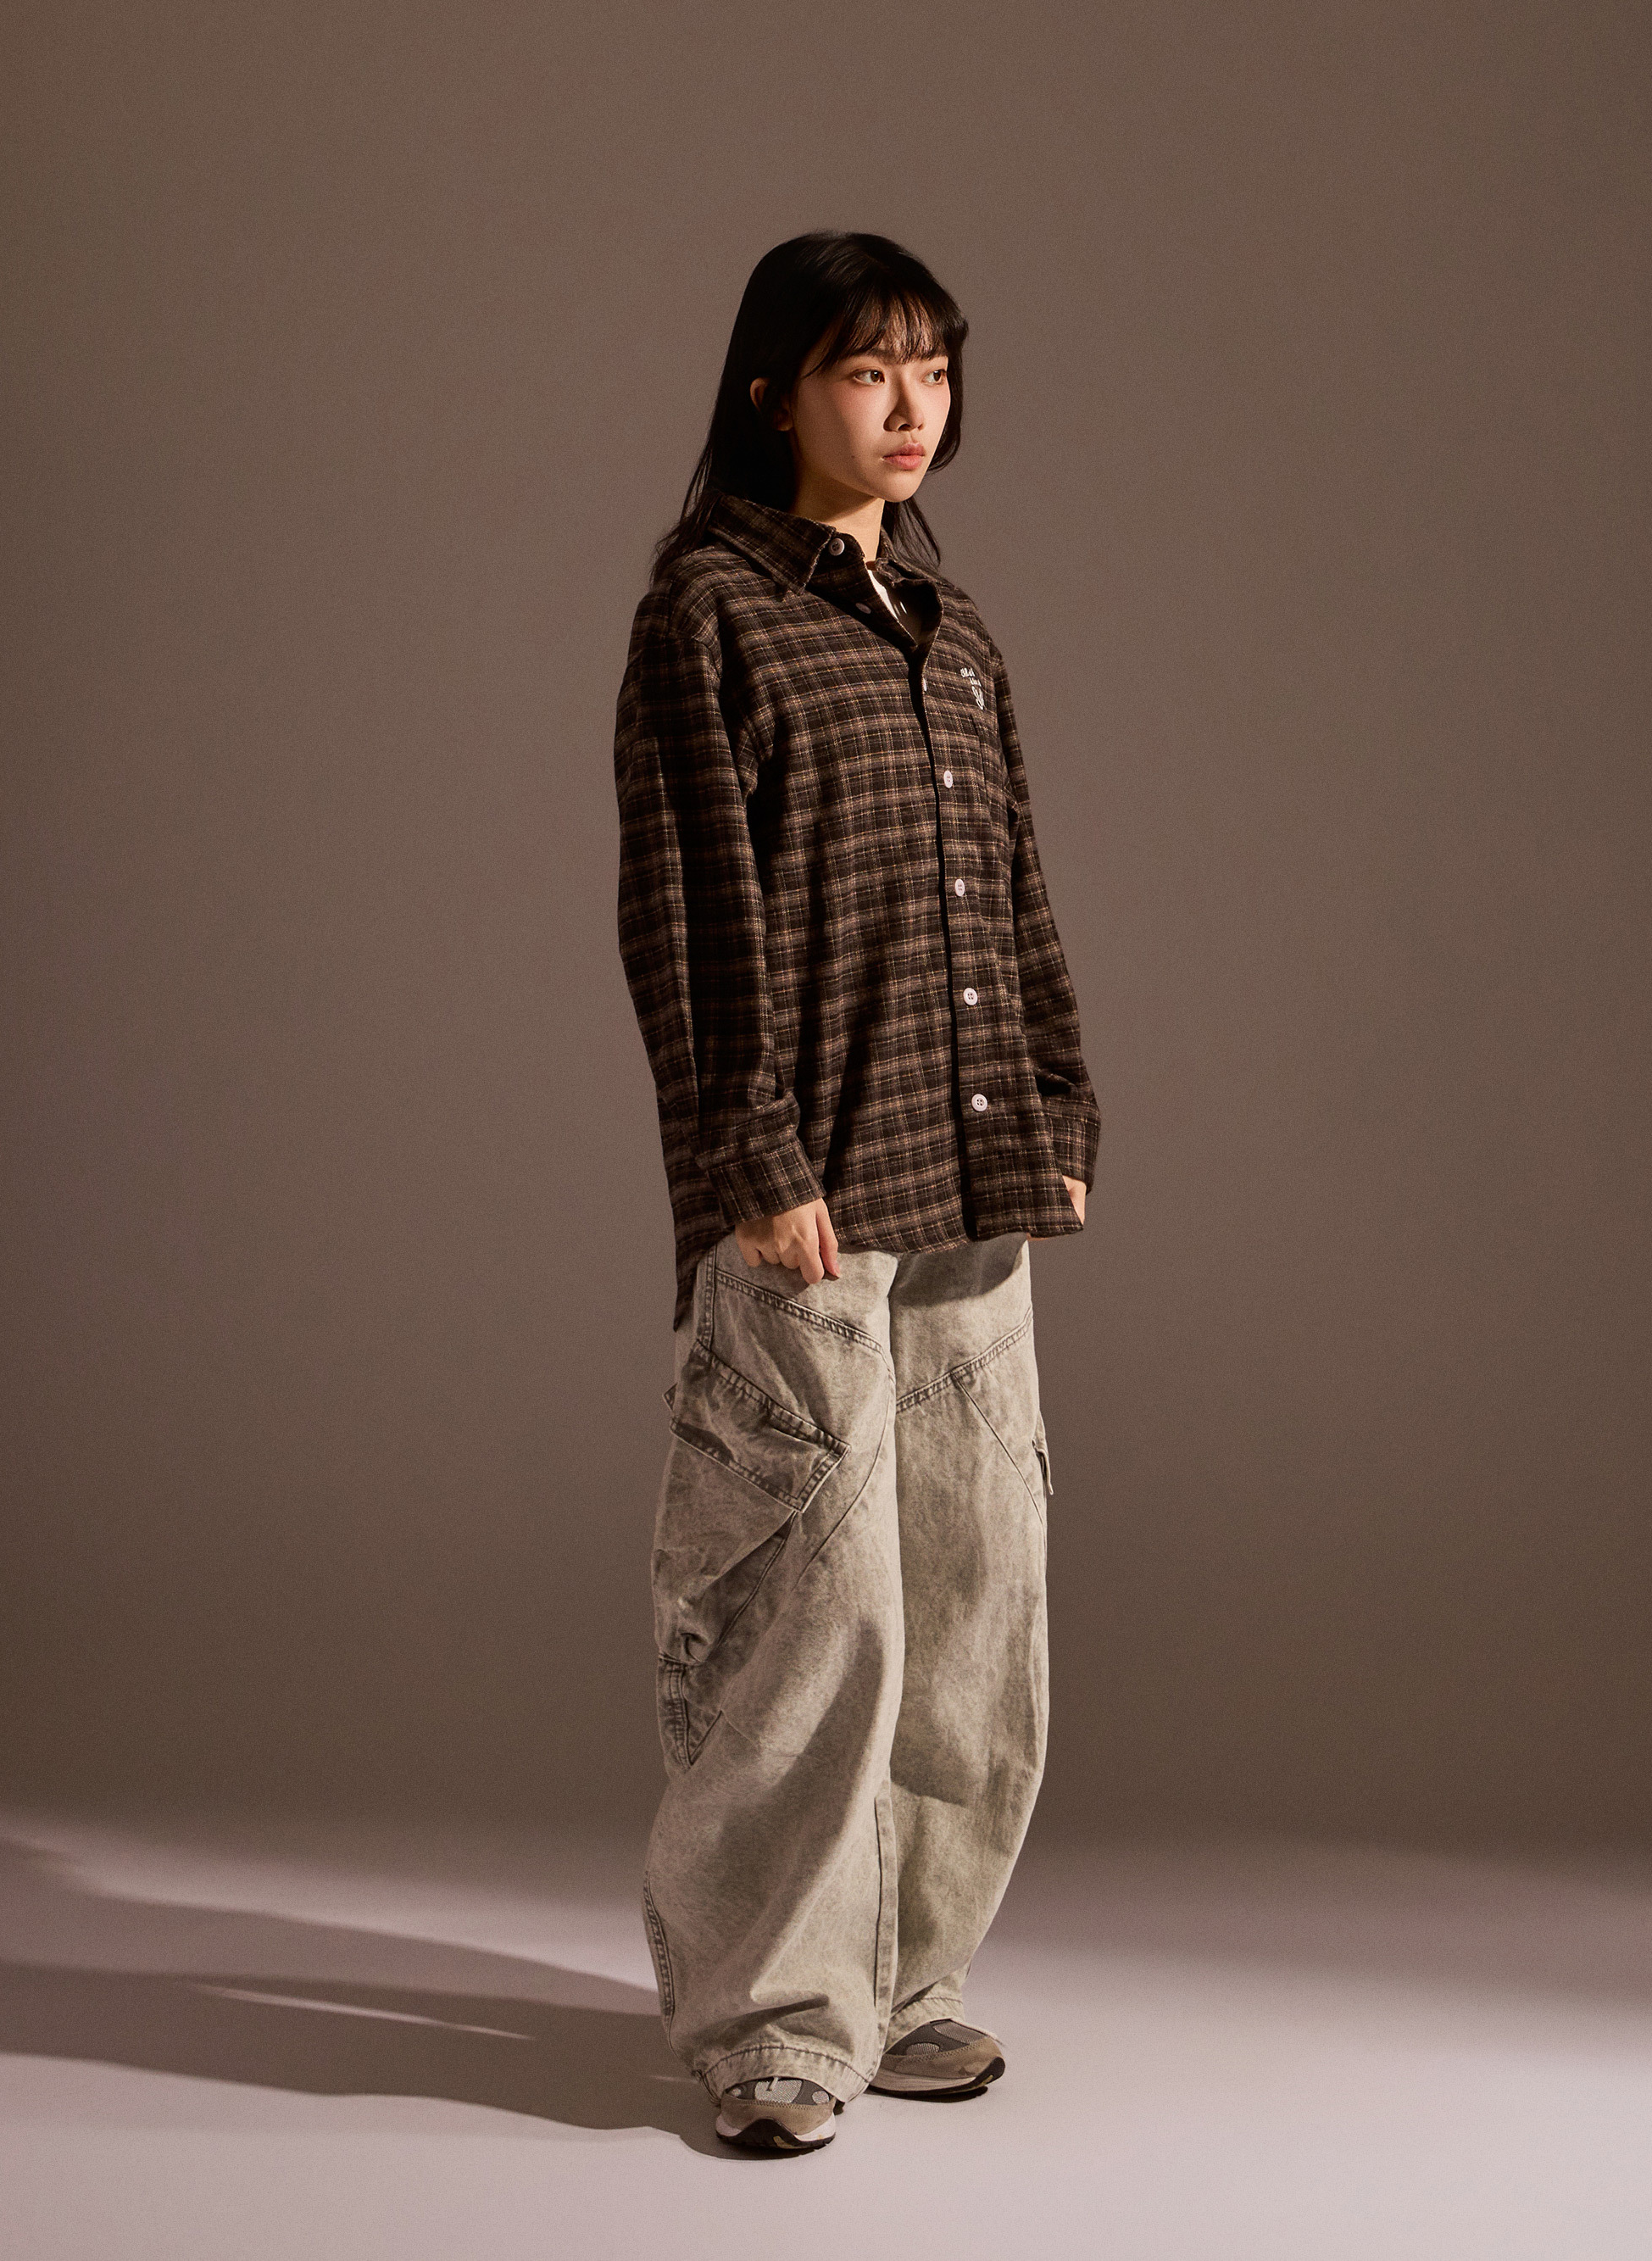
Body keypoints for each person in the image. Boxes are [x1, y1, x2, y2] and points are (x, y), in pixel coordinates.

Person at [612, 231, 1099, 2154]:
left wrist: (1054, 1098)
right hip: (807, 1191)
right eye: (867, 370)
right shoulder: (710, 610)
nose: (910, 409)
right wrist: (753, 1156)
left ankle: (903, 1985)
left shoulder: (951, 626)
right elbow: (684, 911)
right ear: (774, 390)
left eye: (933, 371)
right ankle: (772, 2022)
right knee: (811, 1619)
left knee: (972, 1605)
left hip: (967, 1167)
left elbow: (1016, 886)